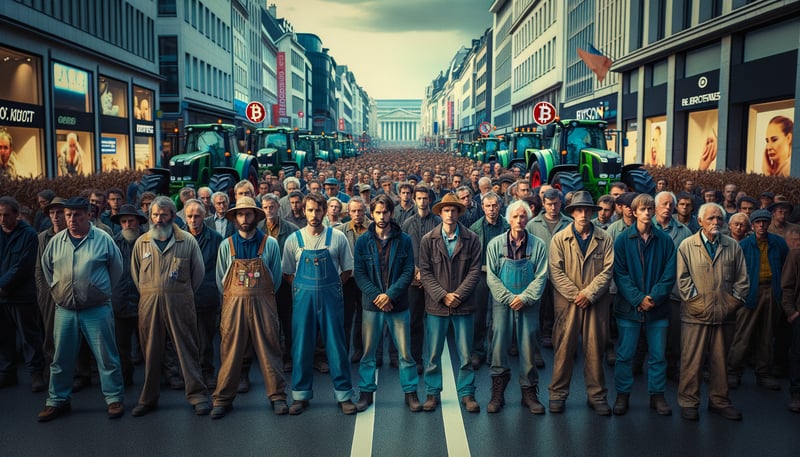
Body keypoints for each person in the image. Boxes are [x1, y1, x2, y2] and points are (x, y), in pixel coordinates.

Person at [38, 197, 124, 421]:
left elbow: (116, 269)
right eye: (68, 215)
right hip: (65, 309)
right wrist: (59, 289)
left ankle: (114, 398)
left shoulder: (103, 239)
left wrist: (98, 290)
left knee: (106, 356)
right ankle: (57, 401)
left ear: (88, 215)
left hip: (96, 309)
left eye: (77, 215)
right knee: (61, 358)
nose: (72, 219)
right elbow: (48, 271)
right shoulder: (56, 242)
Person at [130, 196, 210, 417]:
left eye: (163, 215)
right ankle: (148, 398)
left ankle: (198, 395)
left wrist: (179, 292)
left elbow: (198, 274)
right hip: (149, 303)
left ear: (173, 216)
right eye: (154, 215)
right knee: (151, 351)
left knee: (187, 348)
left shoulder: (187, 241)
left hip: (180, 302)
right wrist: (152, 292)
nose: (158, 219)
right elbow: (136, 275)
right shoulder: (142, 242)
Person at [281, 193, 357, 415]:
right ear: (304, 211)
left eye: (318, 210)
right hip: (303, 301)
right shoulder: (294, 240)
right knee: (302, 346)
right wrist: (304, 288)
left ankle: (344, 395)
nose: (314, 214)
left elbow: (347, 269)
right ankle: (300, 395)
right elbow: (287, 273)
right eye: (310, 210)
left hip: (331, 300)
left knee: (337, 346)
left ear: (325, 211)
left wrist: (330, 287)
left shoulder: (337, 237)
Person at [211, 196, 287, 419]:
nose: (245, 218)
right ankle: (223, 398)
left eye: (249, 214)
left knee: (270, 348)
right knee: (230, 351)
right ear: (235, 218)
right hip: (233, 305)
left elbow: (277, 277)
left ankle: (278, 396)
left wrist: (260, 295)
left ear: (256, 216)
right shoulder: (227, 245)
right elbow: (220, 280)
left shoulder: (270, 244)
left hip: (264, 303)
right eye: (240, 214)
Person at [676, 203, 748, 421]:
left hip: (725, 316)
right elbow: (683, 281)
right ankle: (689, 401)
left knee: (720, 361)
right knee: (692, 361)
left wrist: (730, 305)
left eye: (719, 218)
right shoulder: (687, 245)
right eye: (710, 219)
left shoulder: (732, 246)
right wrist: (699, 305)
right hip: (695, 316)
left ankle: (719, 401)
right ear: (700, 222)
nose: (715, 222)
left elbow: (742, 281)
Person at [548, 191, 614, 416]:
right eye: (579, 210)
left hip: (595, 303)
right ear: (573, 212)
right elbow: (555, 271)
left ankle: (597, 396)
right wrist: (576, 294)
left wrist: (589, 294)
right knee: (564, 349)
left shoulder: (605, 238)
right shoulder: (560, 238)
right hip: (568, 303)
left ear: (592, 212)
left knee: (595, 350)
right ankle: (557, 395)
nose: (583, 214)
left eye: (587, 210)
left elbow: (607, 271)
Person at [353, 195, 421, 412]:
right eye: (377, 212)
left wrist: (389, 295)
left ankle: (410, 393)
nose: (382, 216)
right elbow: (360, 274)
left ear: (392, 213)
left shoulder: (404, 240)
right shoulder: (363, 241)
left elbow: (408, 271)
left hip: (397, 304)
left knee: (405, 353)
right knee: (368, 353)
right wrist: (378, 297)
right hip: (372, 306)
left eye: (385, 212)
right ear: (371, 214)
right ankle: (366, 393)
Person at [611, 194, 676, 416]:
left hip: (658, 309)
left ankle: (657, 396)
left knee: (658, 356)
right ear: (634, 211)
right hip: (628, 309)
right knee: (625, 355)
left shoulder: (665, 240)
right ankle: (622, 394)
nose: (647, 213)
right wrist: (639, 299)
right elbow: (620, 274)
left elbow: (669, 275)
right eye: (643, 209)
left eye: (650, 209)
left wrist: (653, 298)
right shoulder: (622, 240)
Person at [418, 193, 482, 413]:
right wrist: (443, 295)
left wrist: (458, 295)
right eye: (446, 210)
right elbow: (425, 272)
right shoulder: (429, 240)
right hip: (437, 306)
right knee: (434, 354)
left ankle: (467, 394)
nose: (450, 214)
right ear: (441, 213)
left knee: (466, 354)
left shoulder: (472, 239)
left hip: (464, 306)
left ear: (458, 213)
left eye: (454, 210)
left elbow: (475, 271)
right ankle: (432, 393)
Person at [485, 200, 548, 414]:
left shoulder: (538, 245)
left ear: (528, 218)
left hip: (528, 303)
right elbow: (492, 277)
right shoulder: (495, 244)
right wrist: (508, 297)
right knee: (499, 343)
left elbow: (541, 276)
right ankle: (497, 393)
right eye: (515, 216)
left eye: (523, 216)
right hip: (502, 303)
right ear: (508, 219)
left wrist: (525, 298)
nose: (519, 220)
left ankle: (529, 393)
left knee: (529, 346)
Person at [727, 209, 788, 390]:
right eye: (757, 222)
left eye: (764, 222)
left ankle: (763, 373)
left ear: (769, 224)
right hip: (750, 292)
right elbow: (735, 272)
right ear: (752, 225)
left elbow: (785, 267)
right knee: (743, 335)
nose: (761, 225)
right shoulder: (744, 245)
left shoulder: (778, 243)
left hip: (772, 291)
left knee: (767, 335)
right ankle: (733, 371)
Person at [0, 196, 45, 392]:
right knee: (4, 338)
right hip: (2, 296)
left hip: (22, 296)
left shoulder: (28, 234)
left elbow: (23, 266)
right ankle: (7, 373)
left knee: (29, 337)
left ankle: (36, 374)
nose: (2, 219)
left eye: (6, 215)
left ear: (16, 215)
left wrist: (3, 284)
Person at [401, 184, 441, 373]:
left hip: (435, 279)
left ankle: (434, 359)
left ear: (430, 200)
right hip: (414, 280)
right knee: (415, 321)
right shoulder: (408, 223)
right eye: (419, 198)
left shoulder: (439, 222)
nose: (422, 201)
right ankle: (416, 359)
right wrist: (415, 270)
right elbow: (404, 250)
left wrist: (428, 272)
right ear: (414, 200)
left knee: (435, 321)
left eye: (425, 198)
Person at [183, 199, 223, 389]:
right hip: (183, 297)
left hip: (207, 296)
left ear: (204, 216)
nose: (193, 220)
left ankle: (207, 372)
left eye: (197, 216)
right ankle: (191, 374)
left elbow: (221, 268)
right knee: (186, 339)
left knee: (206, 339)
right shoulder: (178, 237)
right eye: (189, 216)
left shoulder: (215, 238)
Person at [526, 188, 571, 349]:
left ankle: (560, 335)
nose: (553, 208)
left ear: (561, 204)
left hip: (562, 272)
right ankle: (542, 334)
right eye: (549, 204)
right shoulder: (532, 225)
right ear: (543, 204)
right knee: (542, 306)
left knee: (561, 307)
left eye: (556, 204)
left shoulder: (569, 224)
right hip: (540, 273)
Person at [258, 193, 299, 373]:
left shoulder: (290, 229)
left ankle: (289, 356)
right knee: (268, 324)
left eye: (272, 207)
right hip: (264, 282)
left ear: (278, 207)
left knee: (287, 320)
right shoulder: (258, 228)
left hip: (284, 281)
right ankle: (272, 358)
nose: (269, 211)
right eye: (265, 207)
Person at [469, 192, 509, 370]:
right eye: (488, 206)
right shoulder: (475, 228)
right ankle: (477, 351)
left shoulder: (508, 226)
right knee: (479, 316)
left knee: (497, 317)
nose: (492, 209)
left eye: (494, 206)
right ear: (482, 207)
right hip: (481, 275)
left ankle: (495, 353)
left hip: (502, 276)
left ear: (500, 206)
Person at [110, 204, 147, 387]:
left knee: (149, 343)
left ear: (138, 222)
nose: (127, 225)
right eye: (123, 221)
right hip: (120, 301)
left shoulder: (148, 241)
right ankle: (126, 377)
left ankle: (153, 379)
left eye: (130, 221)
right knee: (121, 345)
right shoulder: (113, 243)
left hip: (144, 301)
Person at [34, 197, 66, 384]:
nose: (55, 216)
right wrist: (42, 290)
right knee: (50, 333)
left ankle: (78, 372)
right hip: (48, 291)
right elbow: (38, 268)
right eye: (52, 213)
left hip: (68, 289)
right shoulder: (42, 237)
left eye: (59, 212)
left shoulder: (73, 234)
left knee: (70, 333)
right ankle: (52, 371)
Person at [336, 197, 370, 367]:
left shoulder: (371, 229)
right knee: (346, 317)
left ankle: (359, 349)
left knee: (363, 317)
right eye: (354, 211)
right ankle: (344, 350)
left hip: (367, 280)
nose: (357, 214)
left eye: (360, 211)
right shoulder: (341, 230)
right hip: (348, 280)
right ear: (348, 212)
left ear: (365, 211)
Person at [781, 244, 800, 412]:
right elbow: (787, 285)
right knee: (798, 353)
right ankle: (797, 393)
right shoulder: (795, 254)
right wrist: (791, 311)